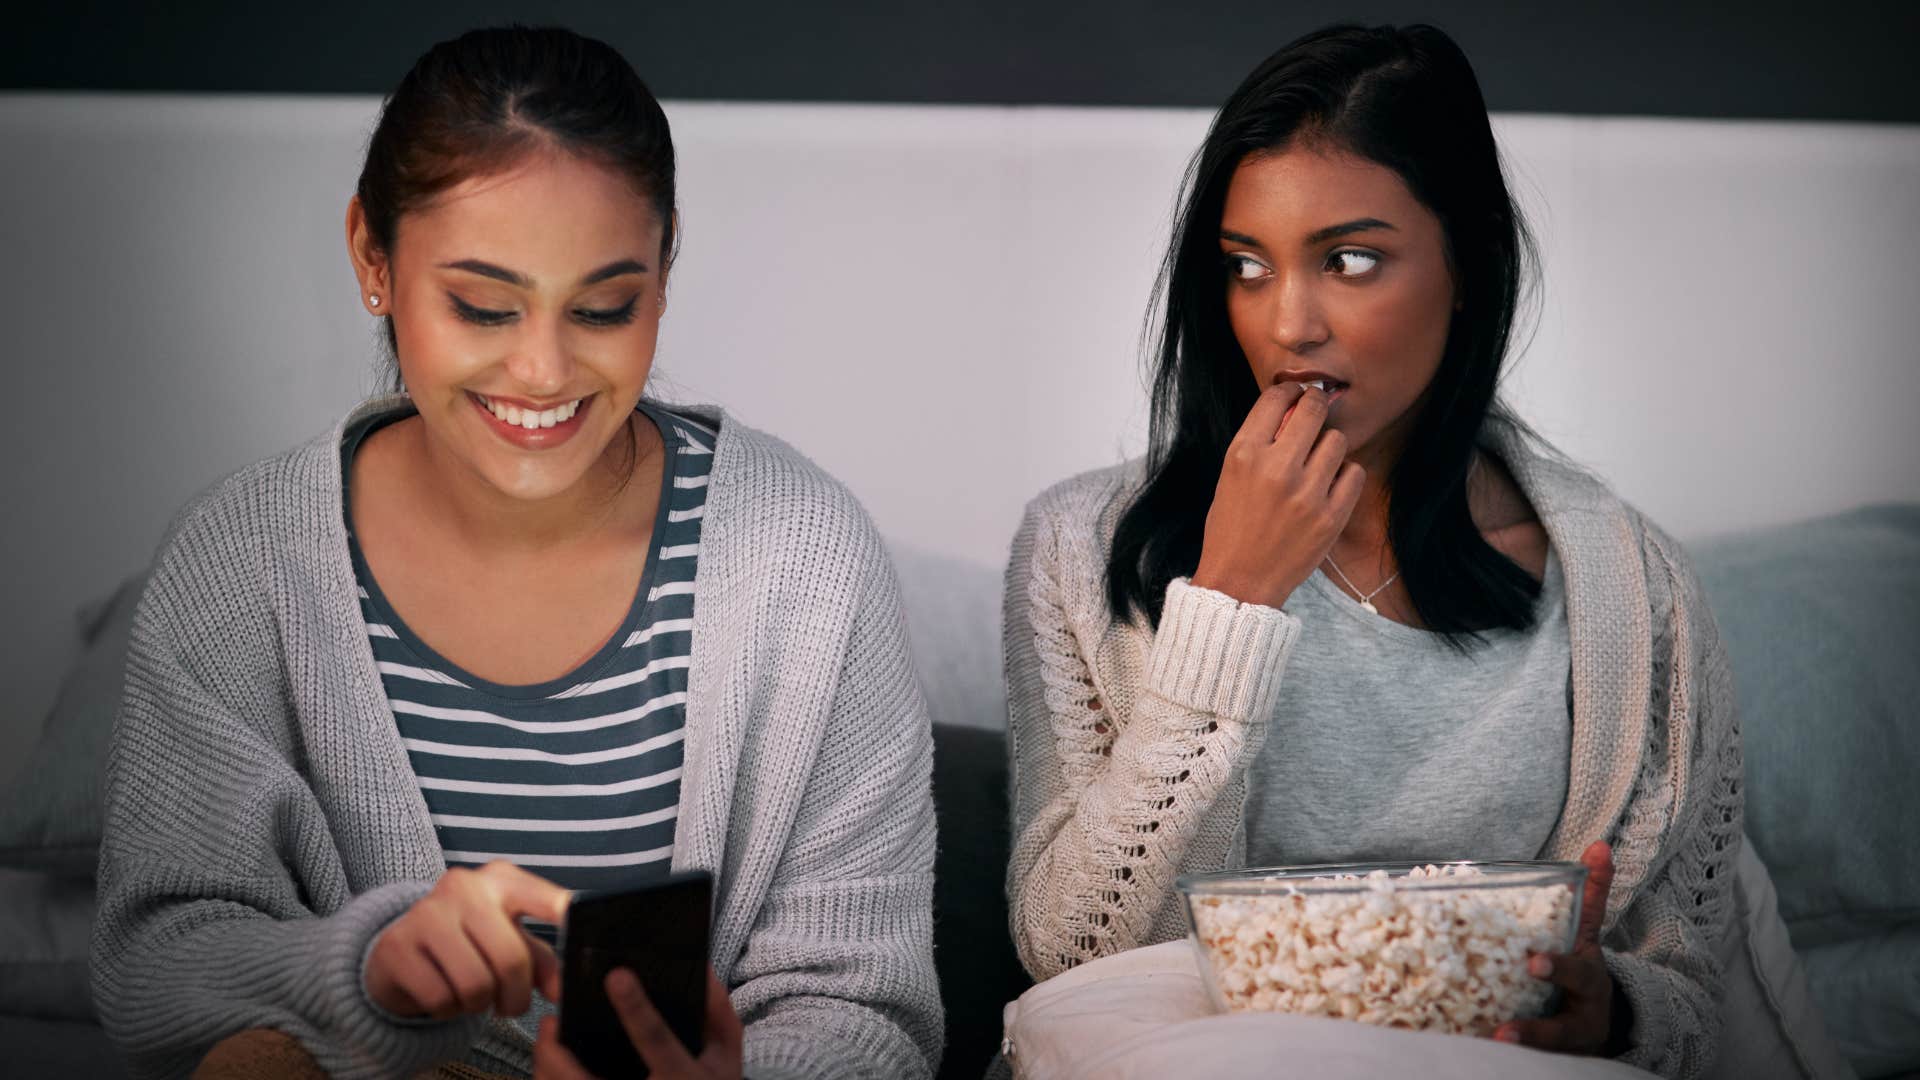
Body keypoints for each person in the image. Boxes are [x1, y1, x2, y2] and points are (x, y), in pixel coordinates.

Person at [89, 26, 940, 1080]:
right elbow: (155, 967)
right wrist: (366, 969)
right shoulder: (243, 560)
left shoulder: (808, 560)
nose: (542, 371)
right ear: (372, 257)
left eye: (604, 307)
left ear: (665, 270)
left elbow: (866, 1006)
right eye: (484, 307)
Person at [1002, 24, 1738, 1079]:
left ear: (1468, 264)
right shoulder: (1081, 551)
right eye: (1247, 268)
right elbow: (1075, 954)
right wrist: (1229, 603)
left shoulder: (1633, 587)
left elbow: (1694, 990)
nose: (1288, 323)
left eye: (1350, 261)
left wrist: (1612, 1012)